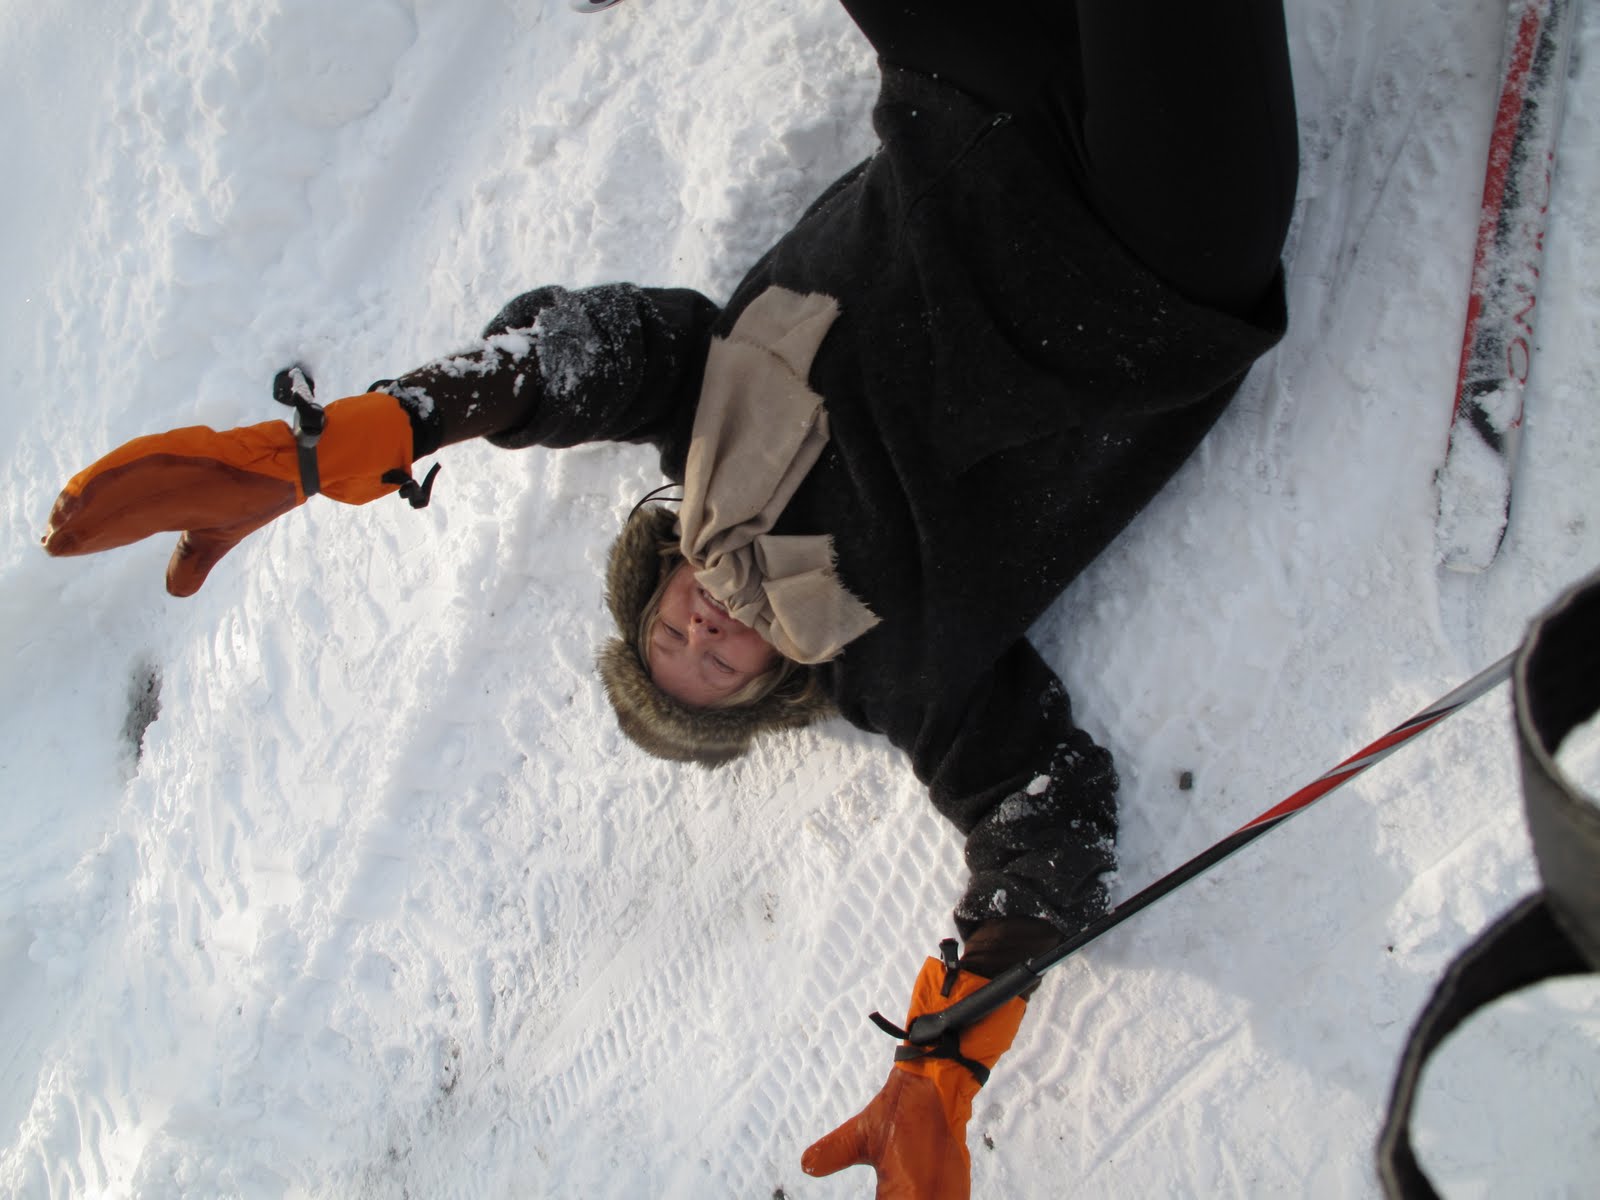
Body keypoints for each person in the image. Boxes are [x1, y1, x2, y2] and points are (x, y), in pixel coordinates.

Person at [42, 2, 1299, 1195]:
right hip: (1143, 251)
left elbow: (579, 359)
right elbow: (1046, 818)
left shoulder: (691, 419)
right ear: (770, 689)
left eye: (661, 632)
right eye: (710, 670)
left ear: (657, 575)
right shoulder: (901, 669)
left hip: (972, 93)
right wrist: (955, 1042)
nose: (695, 633)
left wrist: (379, 429)